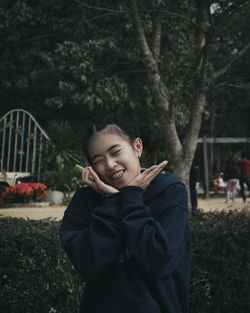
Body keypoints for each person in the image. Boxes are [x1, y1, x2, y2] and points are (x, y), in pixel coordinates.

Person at [60, 114, 191, 313]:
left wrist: (131, 199)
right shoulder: (85, 201)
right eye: (99, 160)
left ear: (137, 147)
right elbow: (88, 264)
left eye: (115, 152)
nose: (110, 164)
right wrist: (112, 202)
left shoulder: (169, 191)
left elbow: (158, 262)